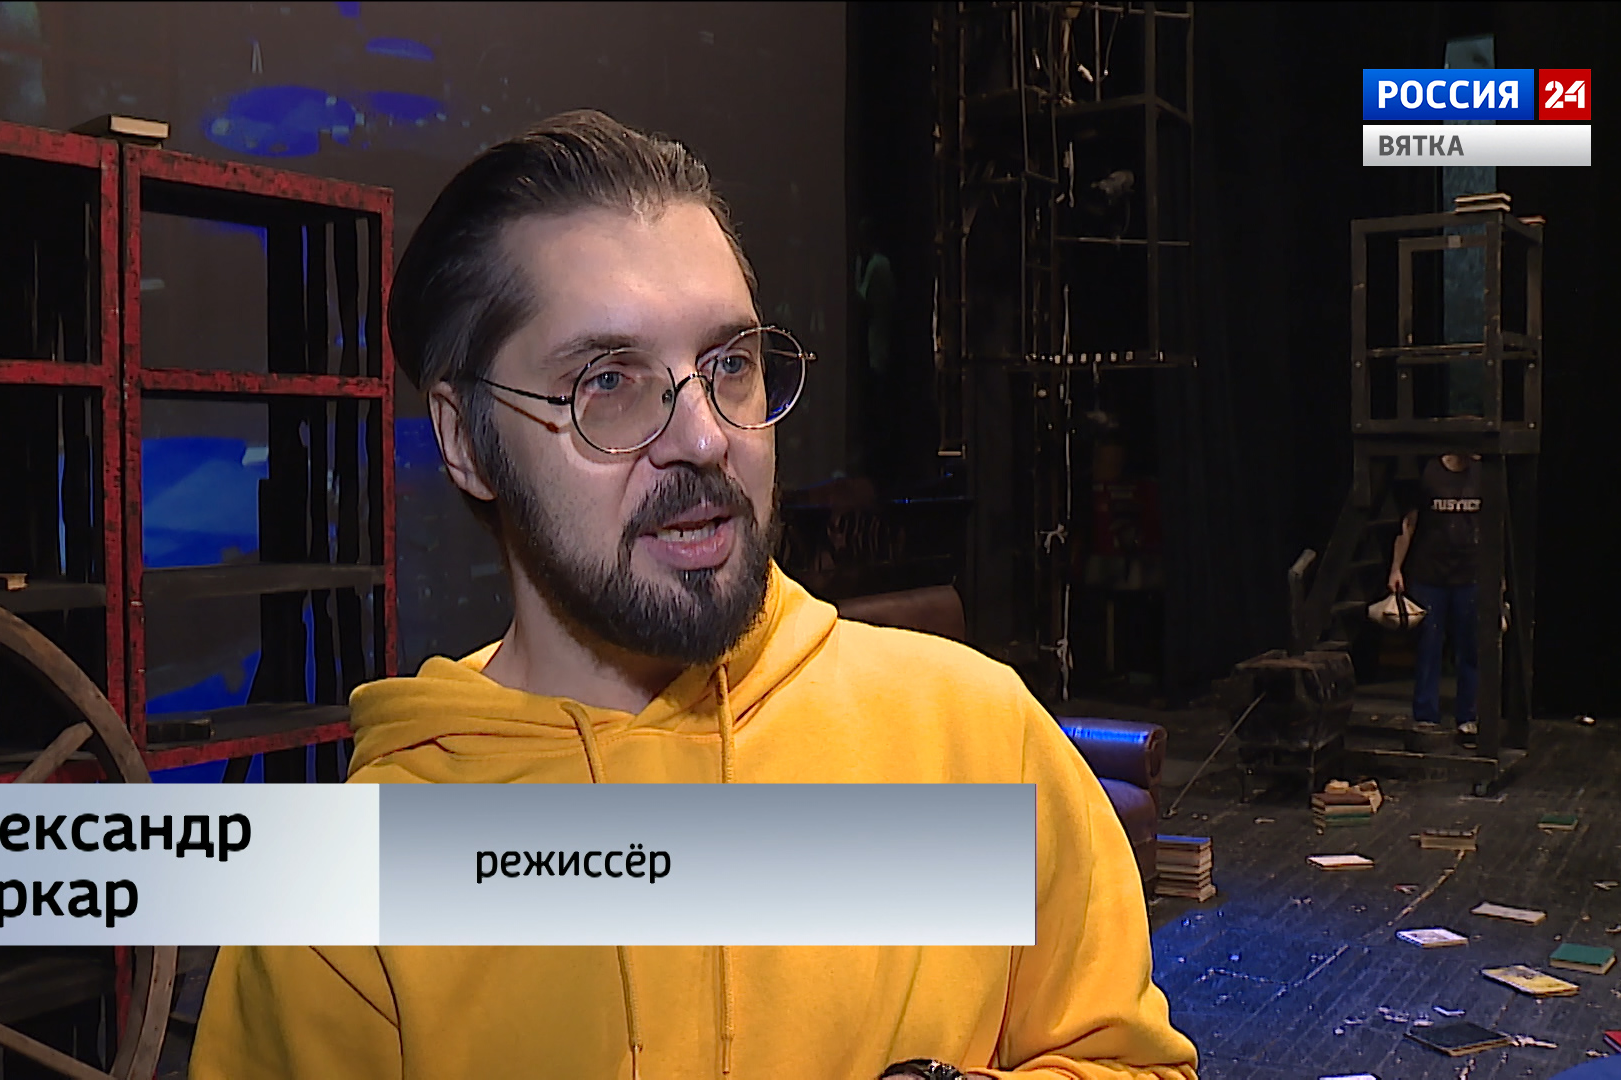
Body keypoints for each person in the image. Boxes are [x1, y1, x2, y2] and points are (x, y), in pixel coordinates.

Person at [189, 111, 1197, 1080]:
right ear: (465, 441)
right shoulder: (342, 912)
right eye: (607, 381)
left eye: (731, 364)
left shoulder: (976, 740)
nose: (708, 436)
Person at [1387, 452, 1484, 739]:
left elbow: (1494, 525)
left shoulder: (1482, 473)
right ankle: (1426, 715)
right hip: (1430, 575)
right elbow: (1409, 522)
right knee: (1429, 646)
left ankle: (1468, 716)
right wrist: (1396, 568)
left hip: (1470, 574)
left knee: (1469, 649)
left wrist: (1498, 576)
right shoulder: (1429, 471)